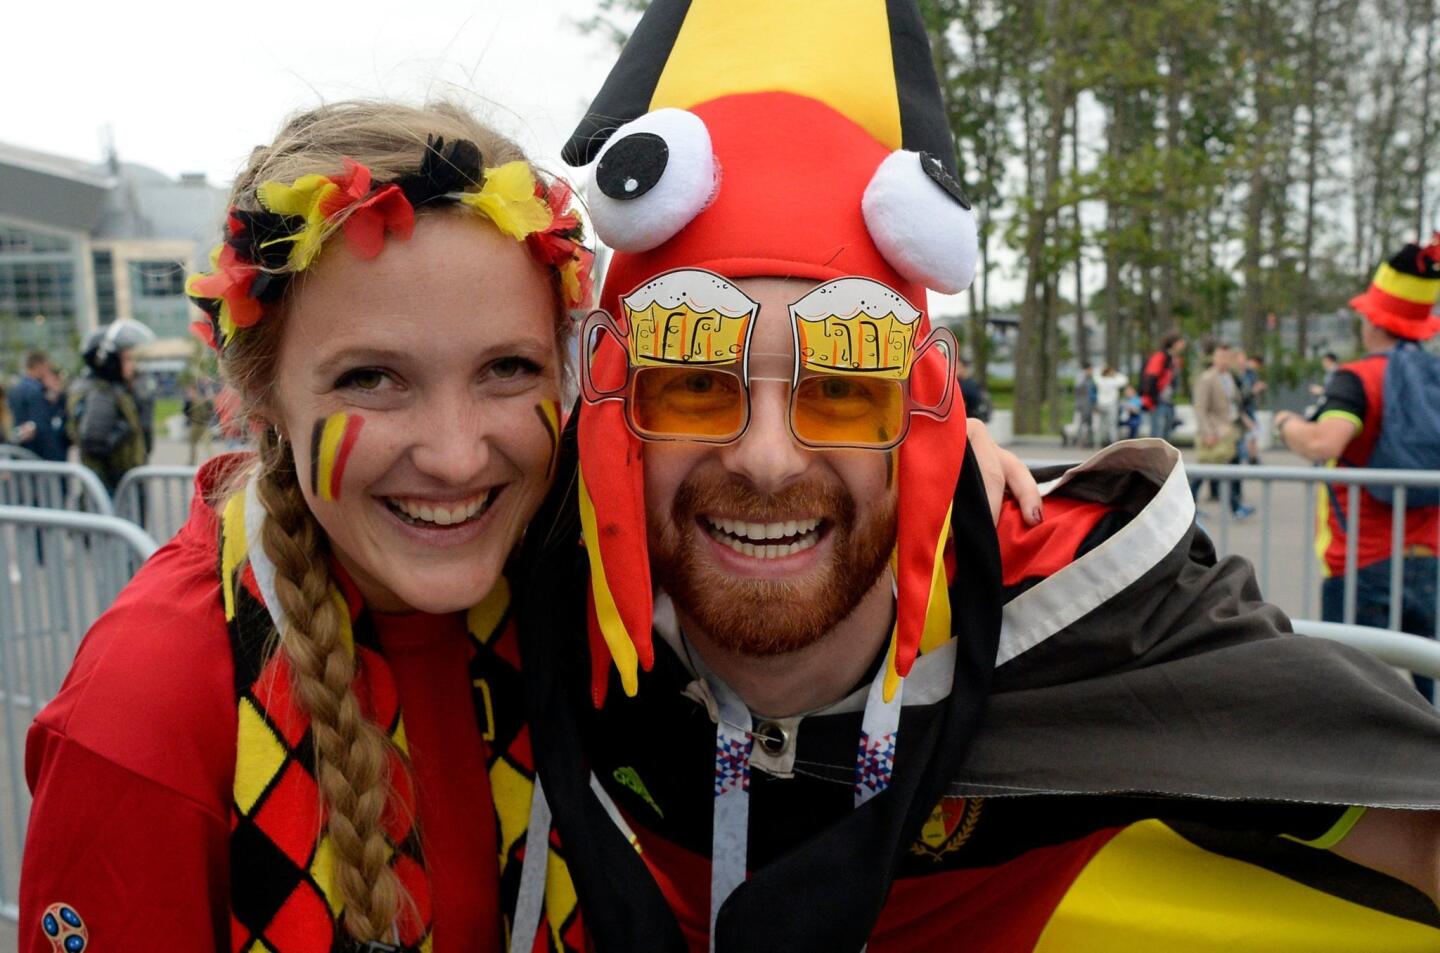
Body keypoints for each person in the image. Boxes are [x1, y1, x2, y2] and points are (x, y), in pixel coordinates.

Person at [519, 3, 1440, 951]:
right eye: (694, 378)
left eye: (844, 382)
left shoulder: (1102, 624)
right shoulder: (527, 599)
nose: (765, 455)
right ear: (608, 402)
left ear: (924, 419)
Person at [20, 101, 598, 953]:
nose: (453, 455)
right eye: (372, 377)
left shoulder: (594, 602)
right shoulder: (151, 700)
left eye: (509, 368)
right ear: (263, 396)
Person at [1275, 238, 1440, 700]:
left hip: (1362, 561)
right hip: (1431, 559)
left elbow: (1322, 443)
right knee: (1434, 680)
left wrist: (1288, 423)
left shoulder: (1359, 377)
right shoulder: (1436, 377)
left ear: (1373, 321)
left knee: (1355, 695)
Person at [69, 319, 150, 494]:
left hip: (119, 483)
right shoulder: (102, 394)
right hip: (112, 484)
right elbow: (94, 443)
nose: (132, 365)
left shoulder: (114, 390)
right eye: (127, 359)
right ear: (109, 361)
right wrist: (123, 430)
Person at [1191, 340, 1252, 518]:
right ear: (1215, 358)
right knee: (1205, 471)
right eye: (1221, 357)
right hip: (1216, 432)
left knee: (1230, 468)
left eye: (1227, 357)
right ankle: (1232, 506)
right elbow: (1200, 408)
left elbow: (1233, 403)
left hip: (1230, 430)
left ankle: (1235, 506)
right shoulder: (1207, 378)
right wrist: (1208, 432)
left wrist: (1245, 420)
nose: (1224, 360)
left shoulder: (1229, 378)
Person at [9, 351, 67, 461]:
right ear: (39, 366)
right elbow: (42, 426)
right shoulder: (36, 390)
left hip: (23, 454)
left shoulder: (15, 389)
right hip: (41, 455)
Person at [1139, 331, 1185, 439]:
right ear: (1174, 343)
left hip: (1168, 401)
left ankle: (1163, 456)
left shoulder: (1175, 360)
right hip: (1158, 401)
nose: (1183, 345)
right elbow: (1151, 377)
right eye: (1181, 342)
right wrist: (1153, 399)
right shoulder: (1160, 357)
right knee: (1157, 435)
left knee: (1166, 435)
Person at [183, 379, 217, 465]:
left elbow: (210, 408)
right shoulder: (189, 401)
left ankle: (212, 461)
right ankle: (192, 461)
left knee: (207, 444)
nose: (189, 393)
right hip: (195, 425)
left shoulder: (202, 400)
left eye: (190, 391)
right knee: (192, 444)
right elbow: (185, 412)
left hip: (203, 425)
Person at [1092, 364, 1127, 446]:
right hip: (1111, 405)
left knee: (1100, 425)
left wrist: (1102, 369)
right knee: (1112, 425)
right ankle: (1114, 443)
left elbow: (1095, 374)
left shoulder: (1100, 380)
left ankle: (1097, 443)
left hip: (1101, 404)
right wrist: (1115, 373)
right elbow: (1125, 379)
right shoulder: (1114, 381)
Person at [955, 355, 990, 423]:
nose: (954, 369)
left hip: (967, 420)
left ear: (964, 368)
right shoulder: (975, 383)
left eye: (957, 367)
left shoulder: (964, 386)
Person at [1070, 362, 1096, 447]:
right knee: (1082, 423)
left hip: (1088, 404)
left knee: (1088, 424)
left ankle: (1088, 441)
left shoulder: (1089, 378)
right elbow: (1078, 388)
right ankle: (1079, 441)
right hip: (1083, 404)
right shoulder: (1082, 377)